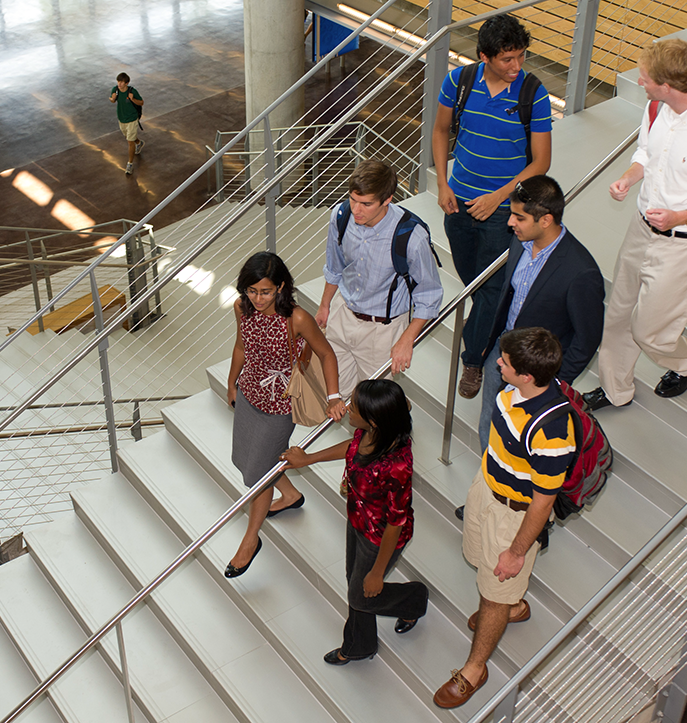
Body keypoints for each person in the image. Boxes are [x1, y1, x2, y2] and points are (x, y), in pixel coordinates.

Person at [582, 39, 687, 412]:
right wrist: (628, 178)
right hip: (641, 229)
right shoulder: (656, 108)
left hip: (682, 243)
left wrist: (681, 216)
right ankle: (615, 389)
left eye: (645, 78)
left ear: (667, 85)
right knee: (620, 313)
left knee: (650, 331)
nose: (639, 82)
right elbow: (645, 153)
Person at [434, 327, 575, 709]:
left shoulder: (553, 432)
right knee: (479, 560)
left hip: (513, 516)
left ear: (527, 376)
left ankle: (475, 669)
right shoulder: (513, 391)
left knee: (494, 589)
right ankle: (513, 606)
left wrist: (516, 551)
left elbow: (542, 504)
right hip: (487, 489)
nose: (498, 363)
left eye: (506, 363)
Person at [431, 14, 552, 400]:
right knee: (472, 280)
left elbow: (541, 162)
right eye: (507, 59)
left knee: (488, 286)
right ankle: (490, 326)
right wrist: (442, 183)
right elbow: (439, 131)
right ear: (484, 56)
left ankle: (473, 358)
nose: (516, 66)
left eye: (520, 57)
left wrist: (499, 198)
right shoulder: (459, 82)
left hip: (502, 211)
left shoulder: (534, 93)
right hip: (458, 204)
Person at [282, 379, 429, 665]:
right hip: (357, 520)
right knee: (354, 582)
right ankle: (361, 645)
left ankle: (413, 598)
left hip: (380, 537)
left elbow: (396, 523)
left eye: (355, 407)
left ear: (373, 420)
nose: (348, 409)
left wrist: (377, 572)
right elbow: (353, 448)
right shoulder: (371, 432)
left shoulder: (396, 465)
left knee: (362, 595)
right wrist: (308, 459)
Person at [225, 252, 346, 578]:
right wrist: (232, 382)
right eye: (251, 290)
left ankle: (251, 540)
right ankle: (291, 495)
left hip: (279, 406)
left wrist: (334, 397)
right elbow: (241, 346)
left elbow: (325, 353)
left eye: (265, 291)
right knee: (244, 459)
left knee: (257, 475)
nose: (257, 298)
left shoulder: (297, 318)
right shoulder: (241, 308)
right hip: (250, 394)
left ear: (280, 287)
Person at [476, 175, 603, 452]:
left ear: (545, 220)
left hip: (536, 376)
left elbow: (587, 338)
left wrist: (553, 382)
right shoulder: (519, 242)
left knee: (521, 441)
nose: (511, 223)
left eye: (519, 218)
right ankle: (489, 475)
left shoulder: (581, 272)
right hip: (502, 353)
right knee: (490, 420)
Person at [315, 159, 443, 398]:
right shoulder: (341, 216)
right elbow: (335, 265)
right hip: (343, 313)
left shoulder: (411, 237)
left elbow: (429, 295)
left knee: (375, 403)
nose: (356, 210)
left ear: (387, 199)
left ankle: (394, 425)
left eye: (366, 204)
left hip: (382, 330)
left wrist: (406, 340)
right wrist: (325, 305)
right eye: (353, 199)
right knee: (339, 393)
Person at [109, 72, 144, 176]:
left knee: (129, 142)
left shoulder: (132, 91)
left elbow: (141, 102)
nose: (119, 84)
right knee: (129, 138)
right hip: (121, 119)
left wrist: (132, 98)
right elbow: (111, 100)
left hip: (132, 119)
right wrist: (112, 99)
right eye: (118, 81)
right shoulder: (115, 90)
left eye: (122, 82)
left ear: (127, 83)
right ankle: (139, 142)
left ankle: (130, 164)